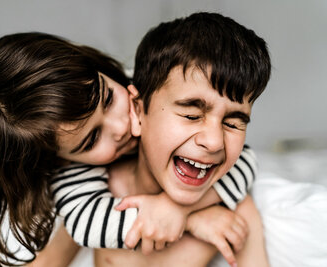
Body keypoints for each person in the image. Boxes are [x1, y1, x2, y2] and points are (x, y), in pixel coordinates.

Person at [0, 31, 257, 266]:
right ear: (61, 159)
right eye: (92, 139)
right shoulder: (72, 171)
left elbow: (244, 160)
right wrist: (188, 217)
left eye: (109, 99)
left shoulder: (142, 89)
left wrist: (178, 206)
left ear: (102, 72)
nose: (121, 126)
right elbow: (86, 225)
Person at [88, 12, 271, 267]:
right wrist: (189, 219)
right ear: (139, 112)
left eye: (232, 123)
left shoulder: (237, 216)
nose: (214, 142)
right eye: (192, 115)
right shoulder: (97, 194)